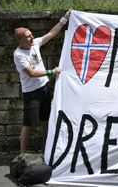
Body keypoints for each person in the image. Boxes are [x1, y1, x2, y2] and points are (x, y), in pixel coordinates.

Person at [14, 10, 71, 154]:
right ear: (20, 41)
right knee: (29, 124)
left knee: (45, 120)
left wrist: (64, 19)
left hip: (44, 88)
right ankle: (22, 154)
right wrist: (52, 72)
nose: (32, 37)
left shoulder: (35, 44)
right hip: (31, 93)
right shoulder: (19, 55)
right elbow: (32, 73)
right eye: (28, 37)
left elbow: (52, 33)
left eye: (31, 34)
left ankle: (46, 149)